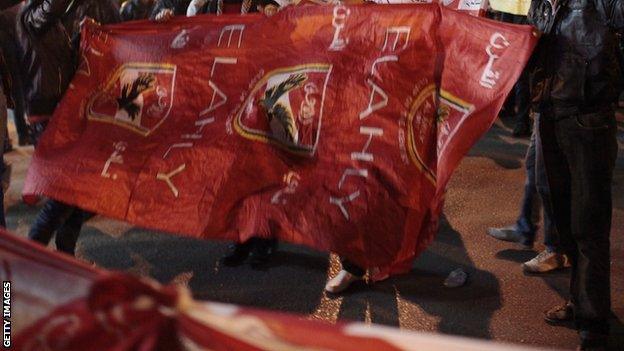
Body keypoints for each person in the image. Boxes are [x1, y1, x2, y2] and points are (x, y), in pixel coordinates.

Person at [528, 0, 623, 348]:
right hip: (550, 112)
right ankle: (579, 300)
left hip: (588, 116)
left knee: (589, 223)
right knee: (560, 213)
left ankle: (594, 323)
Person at [487, 114, 569, 273]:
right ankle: (525, 228)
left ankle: (557, 248)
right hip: (544, 108)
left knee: (547, 177)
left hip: (554, 108)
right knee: (534, 166)